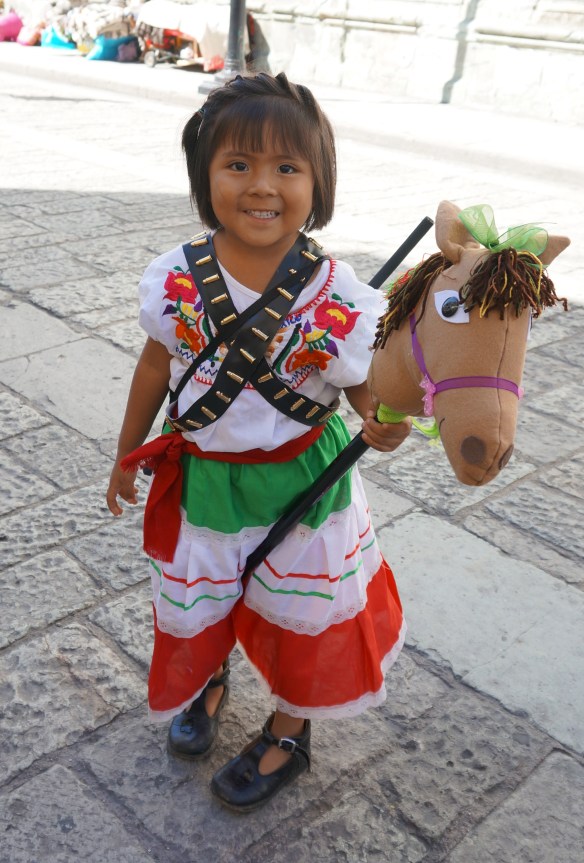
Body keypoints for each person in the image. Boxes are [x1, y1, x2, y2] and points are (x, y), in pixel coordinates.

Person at [106, 72, 411, 813]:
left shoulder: (337, 294)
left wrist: (383, 417)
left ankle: (289, 727)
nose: (260, 186)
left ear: (318, 182)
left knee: (301, 618)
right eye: (237, 164)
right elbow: (155, 365)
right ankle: (211, 678)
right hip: (206, 480)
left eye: (286, 167)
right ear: (204, 175)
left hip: (306, 488)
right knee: (203, 599)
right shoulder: (176, 278)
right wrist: (124, 450)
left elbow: (366, 387)